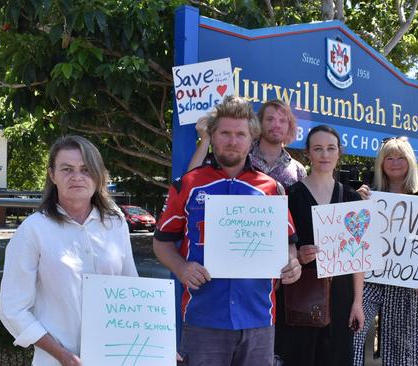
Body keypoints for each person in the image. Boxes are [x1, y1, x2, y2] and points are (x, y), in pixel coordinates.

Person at [153, 95, 302, 366]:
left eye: (240, 134)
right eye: (225, 133)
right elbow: (161, 242)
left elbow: (289, 243)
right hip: (203, 318)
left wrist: (293, 262)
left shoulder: (271, 188)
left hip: (259, 318)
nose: (232, 141)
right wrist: (182, 268)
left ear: (251, 138)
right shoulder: (187, 185)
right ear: (213, 135)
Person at [0, 135, 138, 366]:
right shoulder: (34, 230)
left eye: (86, 169)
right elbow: (13, 310)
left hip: (116, 357)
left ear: (98, 175)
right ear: (52, 175)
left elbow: (131, 289)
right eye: (67, 169)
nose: (77, 177)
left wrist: (156, 343)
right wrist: (64, 356)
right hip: (56, 361)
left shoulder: (116, 224)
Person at [275, 125, 365, 366]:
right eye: (318, 149)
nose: (325, 155)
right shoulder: (291, 196)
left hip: (341, 296)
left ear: (338, 153)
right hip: (302, 295)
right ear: (308, 154)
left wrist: (358, 302)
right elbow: (280, 249)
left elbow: (359, 258)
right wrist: (297, 256)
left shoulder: (352, 198)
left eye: (330, 148)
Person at [351, 136, 418, 366]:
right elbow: (353, 233)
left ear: (410, 161)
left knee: (404, 350)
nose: (395, 162)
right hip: (370, 278)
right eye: (389, 157)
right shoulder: (369, 193)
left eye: (400, 157)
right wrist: (357, 202)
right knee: (352, 334)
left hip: (408, 281)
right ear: (381, 162)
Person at [187, 98, 306, 188]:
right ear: (259, 123)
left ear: (289, 126)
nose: (276, 125)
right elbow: (191, 182)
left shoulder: (298, 170)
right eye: (270, 119)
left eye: (282, 120)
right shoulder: (237, 152)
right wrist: (205, 141)